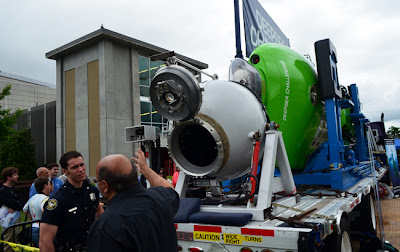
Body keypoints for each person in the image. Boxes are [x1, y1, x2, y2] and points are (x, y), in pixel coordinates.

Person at [86, 148, 179, 252]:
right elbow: (169, 188)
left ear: (104, 185)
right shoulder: (160, 199)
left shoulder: (105, 227)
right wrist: (145, 169)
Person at [39, 151, 103, 252]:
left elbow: (98, 211)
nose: (81, 170)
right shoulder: (58, 200)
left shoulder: (91, 191)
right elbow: (45, 241)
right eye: (75, 167)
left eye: (82, 165)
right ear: (65, 171)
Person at [23, 177, 53, 247]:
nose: (51, 186)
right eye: (49, 184)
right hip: (42, 229)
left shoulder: (33, 197)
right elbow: (45, 210)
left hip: (33, 227)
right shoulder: (45, 199)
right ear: (45, 186)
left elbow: (25, 210)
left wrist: (33, 218)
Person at [0, 167, 24, 252]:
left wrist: (16, 205)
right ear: (8, 177)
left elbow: (21, 202)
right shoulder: (2, 191)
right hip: (7, 219)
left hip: (16, 217)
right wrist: (16, 204)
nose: (17, 176)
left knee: (15, 237)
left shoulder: (13, 189)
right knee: (8, 238)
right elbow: (10, 203)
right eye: (15, 175)